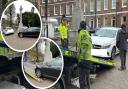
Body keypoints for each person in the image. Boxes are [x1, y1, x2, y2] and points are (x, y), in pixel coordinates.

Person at [77, 21, 92, 89]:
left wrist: (80, 59)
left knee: (82, 80)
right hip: (88, 59)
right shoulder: (87, 33)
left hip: (83, 60)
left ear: (80, 26)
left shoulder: (82, 33)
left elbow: (84, 46)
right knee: (87, 78)